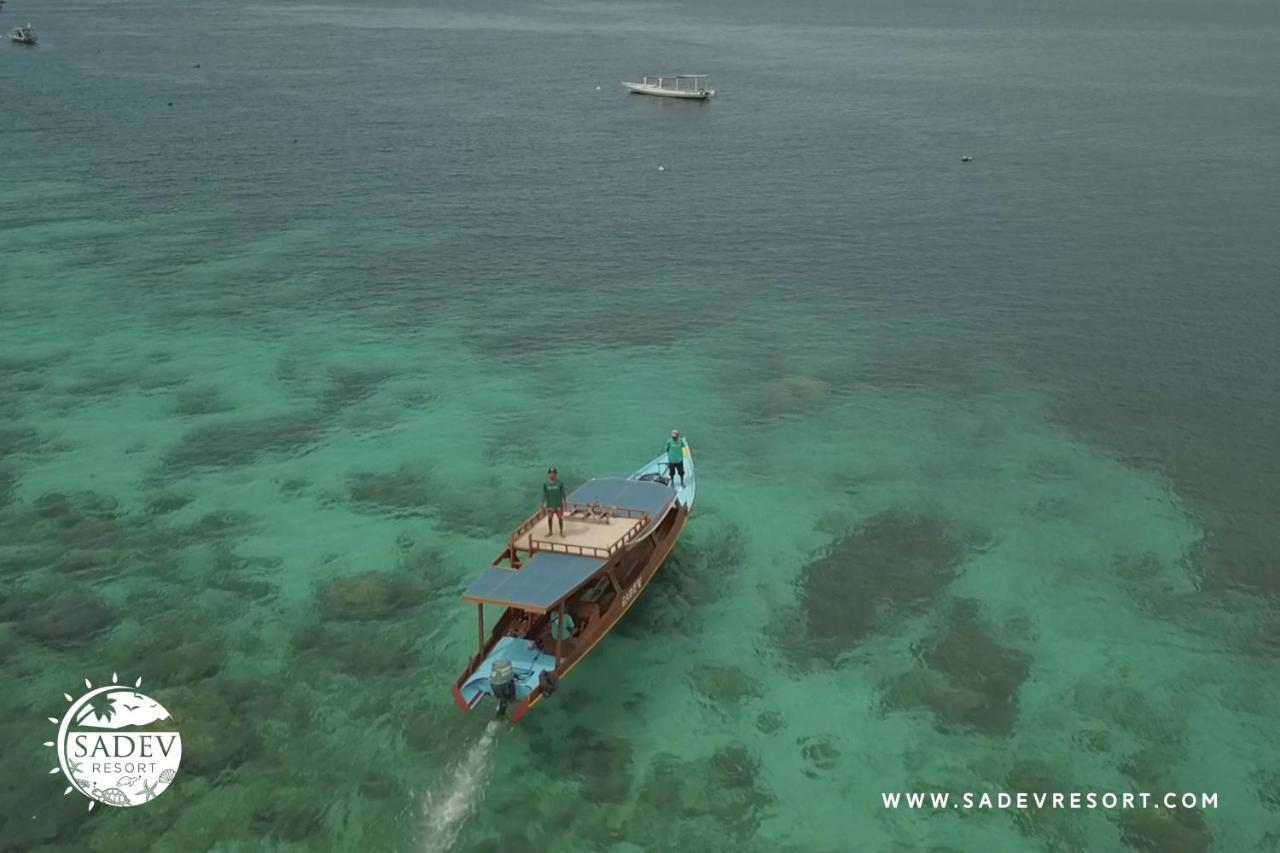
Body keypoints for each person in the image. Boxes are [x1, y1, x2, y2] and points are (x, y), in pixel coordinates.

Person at [542, 467, 567, 536]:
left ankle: (561, 532)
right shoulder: (545, 484)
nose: (552, 474)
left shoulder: (560, 483)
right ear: (549, 474)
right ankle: (550, 532)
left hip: (558, 504)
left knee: (560, 518)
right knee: (550, 518)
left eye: (553, 473)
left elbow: (563, 493)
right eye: (551, 473)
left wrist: (565, 502)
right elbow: (544, 494)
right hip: (550, 505)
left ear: (556, 474)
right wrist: (542, 503)